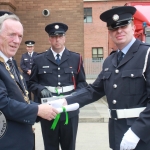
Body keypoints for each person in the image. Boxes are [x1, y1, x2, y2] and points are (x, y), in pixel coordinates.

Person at [62, 6, 150, 150]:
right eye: (114, 28)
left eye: (124, 25)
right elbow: (94, 90)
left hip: (141, 136)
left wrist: (137, 131)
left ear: (133, 27)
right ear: (109, 33)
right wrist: (65, 101)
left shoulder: (147, 54)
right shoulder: (110, 60)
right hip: (116, 132)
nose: (119, 31)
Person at [0, 11, 58, 150]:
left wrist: (46, 107)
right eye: (11, 34)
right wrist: (37, 110)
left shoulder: (10, 62)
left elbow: (21, 98)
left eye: (20, 36)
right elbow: (3, 104)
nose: (17, 40)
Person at [29, 22, 87, 150]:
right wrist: (40, 89)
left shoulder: (75, 58)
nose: (57, 39)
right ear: (49, 38)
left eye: (60, 36)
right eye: (54, 36)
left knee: (69, 146)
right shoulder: (39, 59)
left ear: (64, 38)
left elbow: (82, 83)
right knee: (50, 146)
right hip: (48, 111)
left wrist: (76, 97)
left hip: (69, 111)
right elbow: (32, 83)